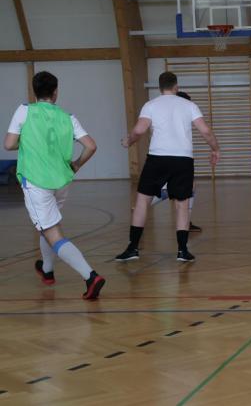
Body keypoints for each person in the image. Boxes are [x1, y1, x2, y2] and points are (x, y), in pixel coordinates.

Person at [4, 71, 105, 299]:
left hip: (36, 181)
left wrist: (27, 140)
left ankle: (90, 276)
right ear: (56, 92)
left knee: (52, 232)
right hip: (61, 181)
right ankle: (47, 271)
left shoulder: (25, 110)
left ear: (34, 92)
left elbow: (9, 144)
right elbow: (91, 146)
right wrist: (77, 165)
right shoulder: (68, 117)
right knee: (48, 225)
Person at [115, 72, 220, 263]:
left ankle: (132, 248)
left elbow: (139, 130)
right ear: (176, 86)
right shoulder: (189, 105)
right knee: (182, 204)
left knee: (142, 202)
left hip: (157, 158)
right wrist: (215, 149)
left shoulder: (151, 105)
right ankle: (182, 251)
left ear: (159, 87)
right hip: (183, 160)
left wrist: (128, 141)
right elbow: (205, 131)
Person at [149, 91, 201, 232]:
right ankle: (144, 205)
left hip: (169, 157)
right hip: (171, 158)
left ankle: (186, 222)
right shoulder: (173, 115)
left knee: (189, 186)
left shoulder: (169, 113)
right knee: (181, 189)